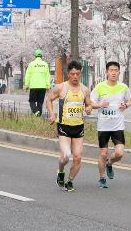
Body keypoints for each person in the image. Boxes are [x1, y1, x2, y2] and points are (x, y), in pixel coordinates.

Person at [46, 60, 92, 191]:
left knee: (77, 157)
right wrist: (52, 114)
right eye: (72, 74)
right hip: (64, 127)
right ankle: (60, 171)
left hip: (78, 127)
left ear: (80, 73)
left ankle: (70, 181)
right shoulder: (61, 88)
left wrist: (88, 108)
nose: (75, 77)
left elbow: (88, 104)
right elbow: (49, 99)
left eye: (77, 74)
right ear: (68, 74)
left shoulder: (85, 89)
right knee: (66, 155)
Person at [90, 61, 131, 188]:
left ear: (119, 72)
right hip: (103, 126)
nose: (113, 72)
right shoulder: (99, 87)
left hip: (118, 126)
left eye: (116, 70)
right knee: (103, 153)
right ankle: (102, 178)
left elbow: (130, 100)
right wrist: (100, 105)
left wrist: (126, 105)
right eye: (111, 70)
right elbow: (91, 104)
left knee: (119, 153)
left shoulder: (123, 87)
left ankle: (109, 163)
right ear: (106, 72)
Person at [24, 49, 51, 116]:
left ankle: (36, 112)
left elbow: (28, 75)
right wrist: (48, 86)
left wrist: (26, 85)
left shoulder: (31, 64)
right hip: (43, 86)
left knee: (32, 101)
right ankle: (39, 115)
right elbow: (47, 76)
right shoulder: (45, 64)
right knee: (40, 102)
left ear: (35, 55)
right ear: (41, 56)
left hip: (34, 86)